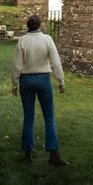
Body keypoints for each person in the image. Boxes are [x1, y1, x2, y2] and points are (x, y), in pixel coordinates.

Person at [11, 15, 69, 166]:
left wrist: (14, 84)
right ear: (39, 25)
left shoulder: (22, 41)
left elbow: (17, 65)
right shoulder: (47, 39)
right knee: (49, 117)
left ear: (28, 26)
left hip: (26, 81)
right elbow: (55, 61)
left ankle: (28, 155)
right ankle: (54, 155)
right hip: (43, 80)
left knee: (28, 118)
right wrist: (60, 81)